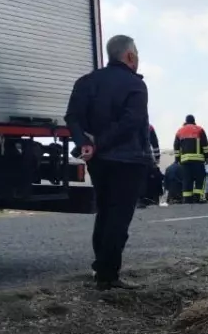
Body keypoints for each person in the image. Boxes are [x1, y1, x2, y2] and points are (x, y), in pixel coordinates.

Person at [64, 34, 151, 290]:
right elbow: (131, 122)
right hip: (129, 160)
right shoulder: (135, 85)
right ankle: (108, 275)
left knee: (104, 212)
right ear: (130, 56)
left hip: (99, 161)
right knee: (118, 218)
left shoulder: (86, 82)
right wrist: (100, 143)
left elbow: (72, 117)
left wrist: (86, 144)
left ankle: (101, 267)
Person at [173, 114, 208, 203]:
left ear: (185, 121)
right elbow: (205, 145)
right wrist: (207, 156)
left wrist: (177, 159)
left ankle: (187, 199)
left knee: (187, 179)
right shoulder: (199, 129)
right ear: (194, 121)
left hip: (185, 161)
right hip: (198, 160)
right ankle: (197, 198)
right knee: (199, 179)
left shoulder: (180, 131)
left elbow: (176, 146)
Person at [138, 124, 162, 208]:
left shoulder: (126, 124)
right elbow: (155, 144)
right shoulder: (149, 127)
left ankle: (138, 200)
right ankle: (147, 199)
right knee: (147, 177)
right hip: (145, 156)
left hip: (130, 157)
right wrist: (157, 157)